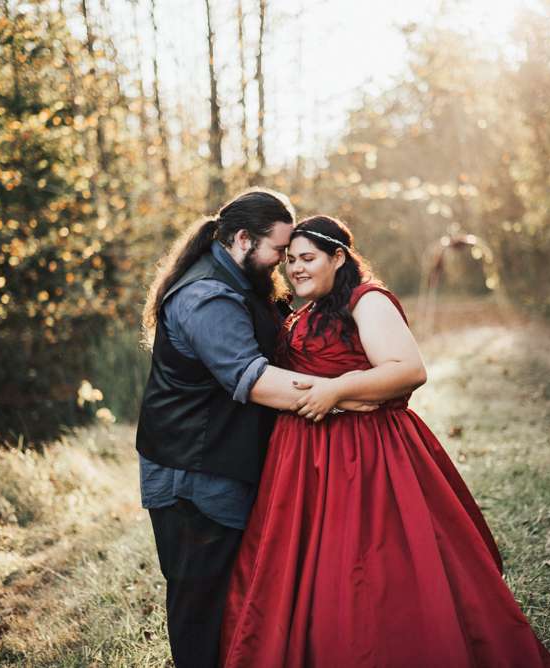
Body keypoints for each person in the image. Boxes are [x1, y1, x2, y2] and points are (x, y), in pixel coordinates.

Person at [220, 215, 550, 667]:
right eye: (291, 260)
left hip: (363, 454)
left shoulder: (367, 300)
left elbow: (408, 370)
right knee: (308, 571)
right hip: (303, 461)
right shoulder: (308, 311)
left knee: (369, 566)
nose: (296, 268)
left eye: (308, 258)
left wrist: (338, 390)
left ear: (338, 258)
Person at [135, 190, 374, 668]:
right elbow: (255, 379)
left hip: (224, 460)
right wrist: (345, 394)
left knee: (236, 595)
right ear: (243, 239)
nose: (284, 263)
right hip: (192, 472)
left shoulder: (243, 282)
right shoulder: (206, 297)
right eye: (279, 251)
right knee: (201, 600)